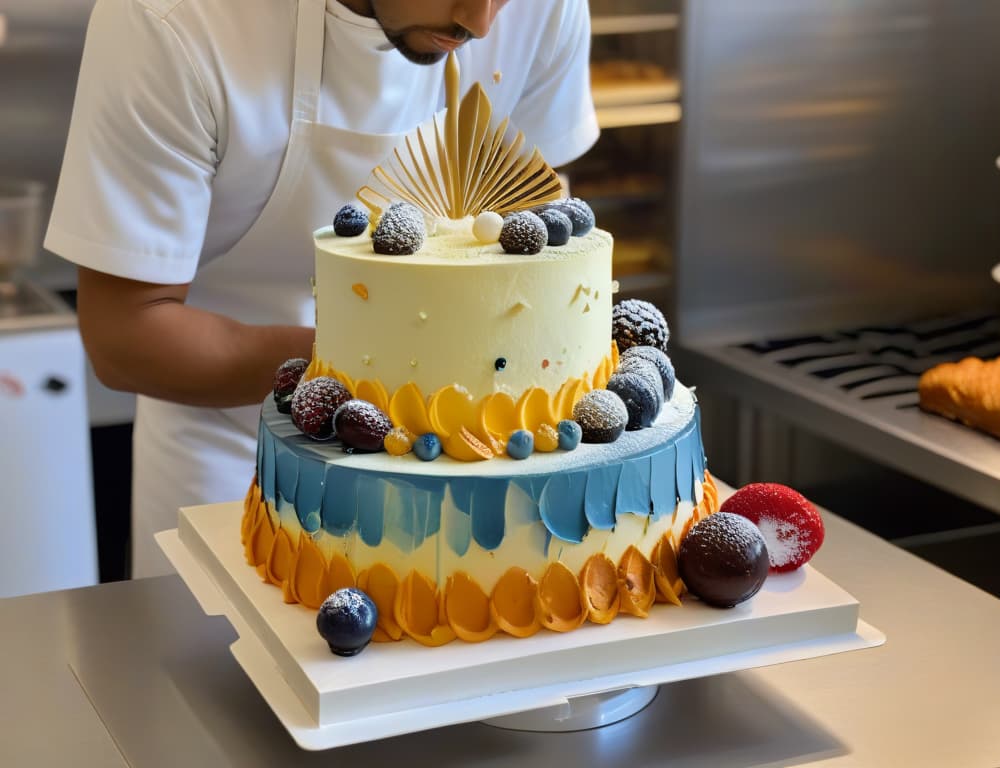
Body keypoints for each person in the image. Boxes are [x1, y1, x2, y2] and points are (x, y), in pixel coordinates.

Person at [45, 0, 599, 578]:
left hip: (471, 456)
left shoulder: (546, 8)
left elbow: (541, 240)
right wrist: (394, 369)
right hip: (234, 443)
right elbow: (125, 332)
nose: (482, 22)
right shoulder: (171, 20)